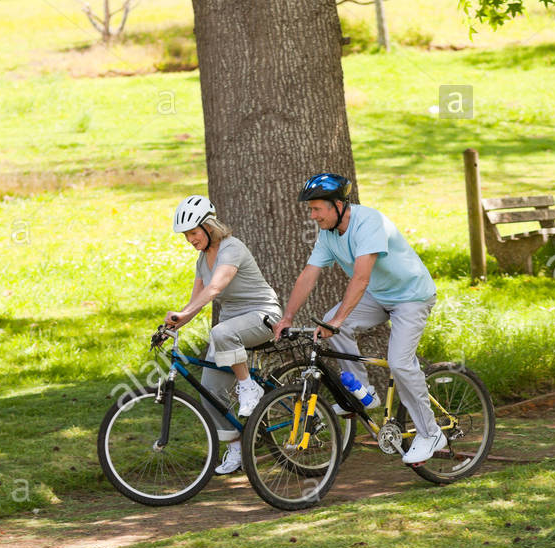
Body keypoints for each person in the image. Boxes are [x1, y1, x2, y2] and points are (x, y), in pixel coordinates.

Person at [271, 173, 445, 465]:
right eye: (311, 210)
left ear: (338, 205)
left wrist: (340, 319)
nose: (312, 216)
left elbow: (361, 278)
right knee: (329, 323)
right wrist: (287, 317)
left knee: (400, 362)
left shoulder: (368, 223)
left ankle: (431, 433)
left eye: (317, 209)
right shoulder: (328, 235)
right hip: (380, 294)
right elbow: (309, 275)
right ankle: (363, 393)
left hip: (411, 296)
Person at [167, 195, 282, 475]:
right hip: (229, 328)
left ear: (209, 226)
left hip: (262, 316)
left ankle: (248, 386)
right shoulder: (201, 260)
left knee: (221, 331)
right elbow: (196, 300)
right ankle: (236, 447)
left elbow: (215, 289)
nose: (190, 240)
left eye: (193, 233)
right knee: (210, 391)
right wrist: (174, 324)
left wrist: (184, 315)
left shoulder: (232, 248)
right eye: (186, 235)